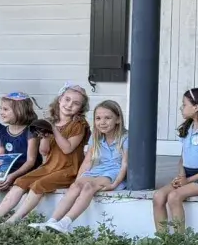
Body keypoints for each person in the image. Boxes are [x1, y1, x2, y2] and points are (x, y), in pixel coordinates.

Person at [0, 84, 90, 224]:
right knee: (21, 181)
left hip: (68, 169)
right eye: (67, 99)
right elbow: (44, 151)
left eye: (76, 103)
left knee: (38, 184)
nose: (69, 105)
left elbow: (67, 149)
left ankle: (13, 220)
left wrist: (53, 129)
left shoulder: (79, 125)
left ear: (81, 108)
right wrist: (45, 137)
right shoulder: (53, 122)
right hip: (49, 166)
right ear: (60, 99)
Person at [31, 100, 128, 233]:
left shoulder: (125, 138)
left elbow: (125, 164)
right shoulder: (96, 137)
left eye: (108, 118)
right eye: (98, 118)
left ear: (118, 119)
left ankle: (65, 223)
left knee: (89, 186)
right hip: (97, 171)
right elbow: (88, 161)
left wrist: (114, 184)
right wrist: (78, 179)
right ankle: (51, 221)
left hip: (113, 173)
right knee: (76, 185)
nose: (102, 122)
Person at [152, 87, 198, 233]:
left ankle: (179, 241)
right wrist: (182, 176)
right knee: (158, 196)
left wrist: (189, 180)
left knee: (174, 196)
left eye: (184, 104)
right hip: (187, 175)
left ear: (196, 107)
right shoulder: (186, 130)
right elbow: (182, 159)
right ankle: (163, 239)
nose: (181, 108)